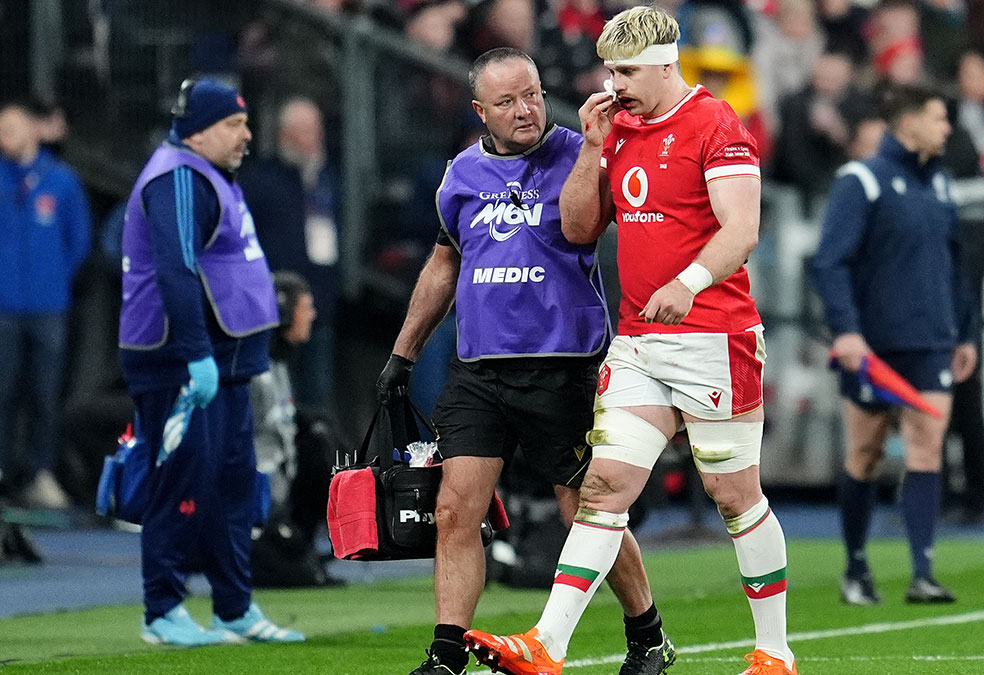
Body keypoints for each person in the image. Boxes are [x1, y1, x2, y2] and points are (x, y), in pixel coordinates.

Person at [463, 8, 796, 675]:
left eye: (627, 71)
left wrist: (692, 280)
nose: (613, 83)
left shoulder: (715, 124)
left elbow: (742, 228)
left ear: (668, 63)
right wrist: (590, 147)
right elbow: (581, 228)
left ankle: (774, 650)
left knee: (735, 495)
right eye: (609, 68)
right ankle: (545, 645)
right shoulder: (617, 130)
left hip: (713, 336)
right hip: (642, 338)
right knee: (604, 487)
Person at [373, 48, 674, 675]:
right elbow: (444, 263)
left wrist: (593, 151)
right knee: (456, 508)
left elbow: (586, 231)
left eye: (532, 94)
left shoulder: (581, 150)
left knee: (585, 511)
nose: (525, 110)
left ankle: (647, 634)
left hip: (563, 365)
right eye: (507, 101)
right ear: (480, 110)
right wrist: (403, 354)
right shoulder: (459, 176)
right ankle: (446, 652)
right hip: (479, 368)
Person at [118, 78, 304, 646]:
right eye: (233, 124)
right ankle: (162, 612)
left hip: (226, 362)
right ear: (198, 131)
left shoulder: (208, 174)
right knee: (181, 483)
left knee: (230, 486)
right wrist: (196, 355)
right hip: (181, 362)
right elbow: (176, 270)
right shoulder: (179, 177)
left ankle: (234, 608)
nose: (246, 135)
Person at [810, 84, 977, 606]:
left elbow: (955, 264)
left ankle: (922, 572)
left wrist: (965, 330)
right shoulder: (861, 180)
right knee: (866, 451)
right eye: (939, 118)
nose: (947, 128)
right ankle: (856, 567)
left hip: (930, 342)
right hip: (874, 345)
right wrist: (848, 331)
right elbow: (829, 263)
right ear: (908, 124)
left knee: (928, 447)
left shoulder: (943, 185)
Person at [0, 100, 92, 510]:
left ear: (34, 131)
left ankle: (38, 471)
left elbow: (79, 242)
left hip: (49, 307)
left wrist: (53, 279)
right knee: (3, 392)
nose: (7, 139)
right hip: (4, 308)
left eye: (13, 129)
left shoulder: (61, 180)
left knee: (44, 394)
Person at [239, 98, 340, 410]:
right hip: (274, 313)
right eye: (306, 130)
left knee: (316, 399)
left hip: (318, 309)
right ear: (284, 135)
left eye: (317, 129)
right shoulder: (260, 181)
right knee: (273, 398)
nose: (315, 137)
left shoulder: (327, 181)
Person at [250, 270, 342, 588]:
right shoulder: (254, 371)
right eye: (305, 308)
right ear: (284, 312)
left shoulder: (278, 362)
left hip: (275, 496)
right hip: (253, 502)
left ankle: (304, 538)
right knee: (295, 573)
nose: (312, 316)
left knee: (321, 433)